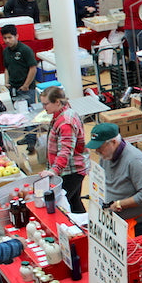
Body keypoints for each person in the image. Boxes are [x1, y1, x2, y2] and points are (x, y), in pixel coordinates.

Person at [86, 123, 142, 243]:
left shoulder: (134, 160)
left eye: (100, 147)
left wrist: (120, 204)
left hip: (140, 225)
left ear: (114, 142)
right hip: (116, 223)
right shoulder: (106, 156)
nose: (97, 151)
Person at [38, 86, 88, 214]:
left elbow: (65, 150)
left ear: (57, 102)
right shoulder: (62, 113)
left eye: (46, 104)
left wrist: (54, 170)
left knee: (60, 205)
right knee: (74, 202)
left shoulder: (65, 123)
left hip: (70, 172)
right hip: (72, 169)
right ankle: (84, 228)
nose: (44, 107)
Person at [1, 24, 38, 149]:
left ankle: (32, 140)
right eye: (5, 38)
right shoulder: (5, 51)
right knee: (20, 114)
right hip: (13, 88)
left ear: (17, 36)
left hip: (26, 88)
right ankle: (27, 136)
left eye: (10, 37)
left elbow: (33, 68)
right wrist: (6, 82)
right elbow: (6, 68)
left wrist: (26, 85)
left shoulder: (25, 50)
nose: (7, 41)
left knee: (30, 113)